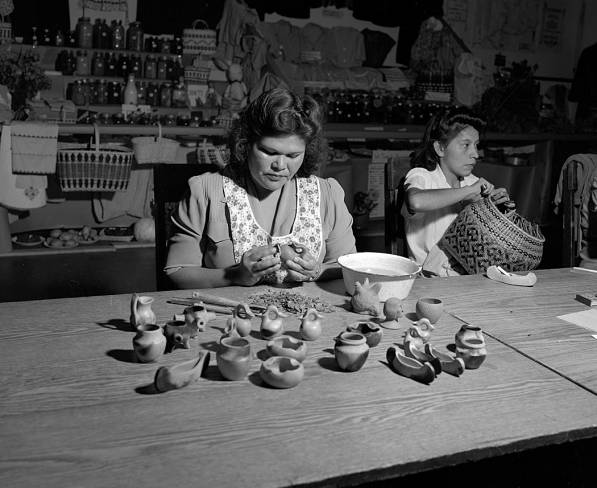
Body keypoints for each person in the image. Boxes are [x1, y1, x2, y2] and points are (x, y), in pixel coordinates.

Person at [165, 87, 356, 289]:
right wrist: (233, 275)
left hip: (309, 317)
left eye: (293, 156)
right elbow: (178, 271)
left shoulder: (327, 194)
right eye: (268, 151)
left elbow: (349, 267)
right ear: (245, 144)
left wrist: (316, 271)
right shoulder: (205, 191)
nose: (280, 166)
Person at [401, 107, 509, 277]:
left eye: (476, 145)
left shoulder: (471, 181)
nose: (475, 154)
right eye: (466, 145)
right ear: (440, 148)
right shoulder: (422, 177)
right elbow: (416, 201)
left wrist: (499, 208)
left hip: (467, 277)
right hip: (426, 280)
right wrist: (468, 192)